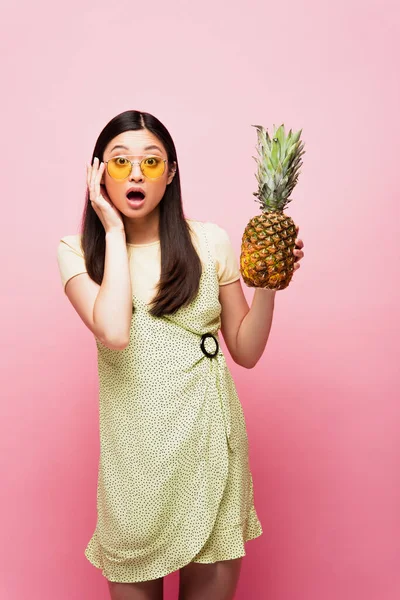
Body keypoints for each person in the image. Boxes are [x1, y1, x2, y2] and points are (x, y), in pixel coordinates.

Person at [56, 109, 304, 600]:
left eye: (151, 162)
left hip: (210, 447)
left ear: (170, 174)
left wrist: (270, 285)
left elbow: (246, 351)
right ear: (97, 171)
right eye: (119, 161)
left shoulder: (208, 240)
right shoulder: (78, 253)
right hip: (136, 465)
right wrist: (111, 230)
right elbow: (115, 331)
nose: (134, 174)